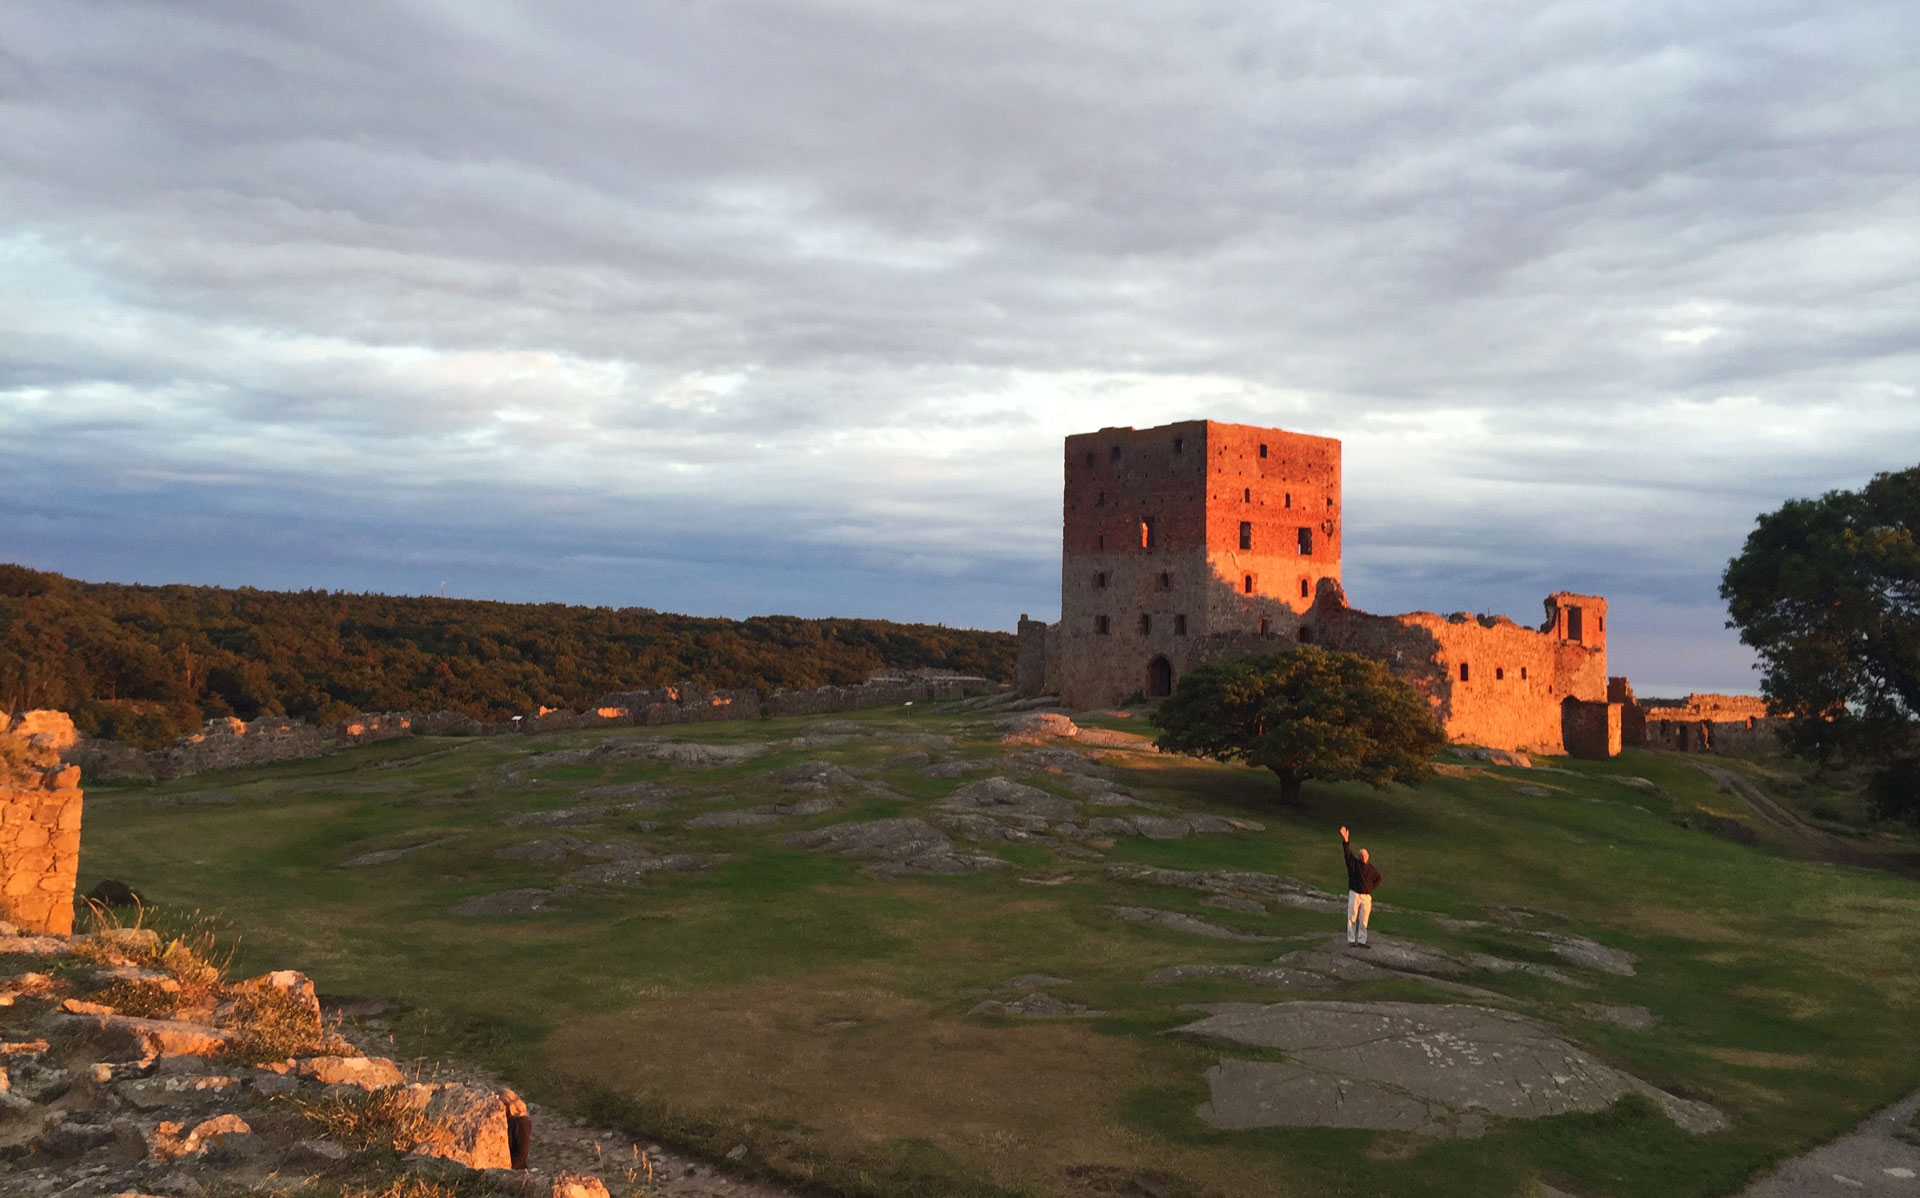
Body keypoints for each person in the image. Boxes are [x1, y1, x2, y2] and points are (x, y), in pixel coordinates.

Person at [1339, 825, 1381, 948]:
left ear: (1367, 857)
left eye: (1365, 856)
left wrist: (1370, 888)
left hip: (1366, 896)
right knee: (1352, 917)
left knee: (1363, 919)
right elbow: (1347, 854)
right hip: (1355, 894)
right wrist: (1346, 841)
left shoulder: (1371, 868)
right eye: (1362, 855)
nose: (1363, 857)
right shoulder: (1354, 864)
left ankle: (1362, 940)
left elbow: (1378, 878)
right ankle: (1352, 940)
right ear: (1360, 856)